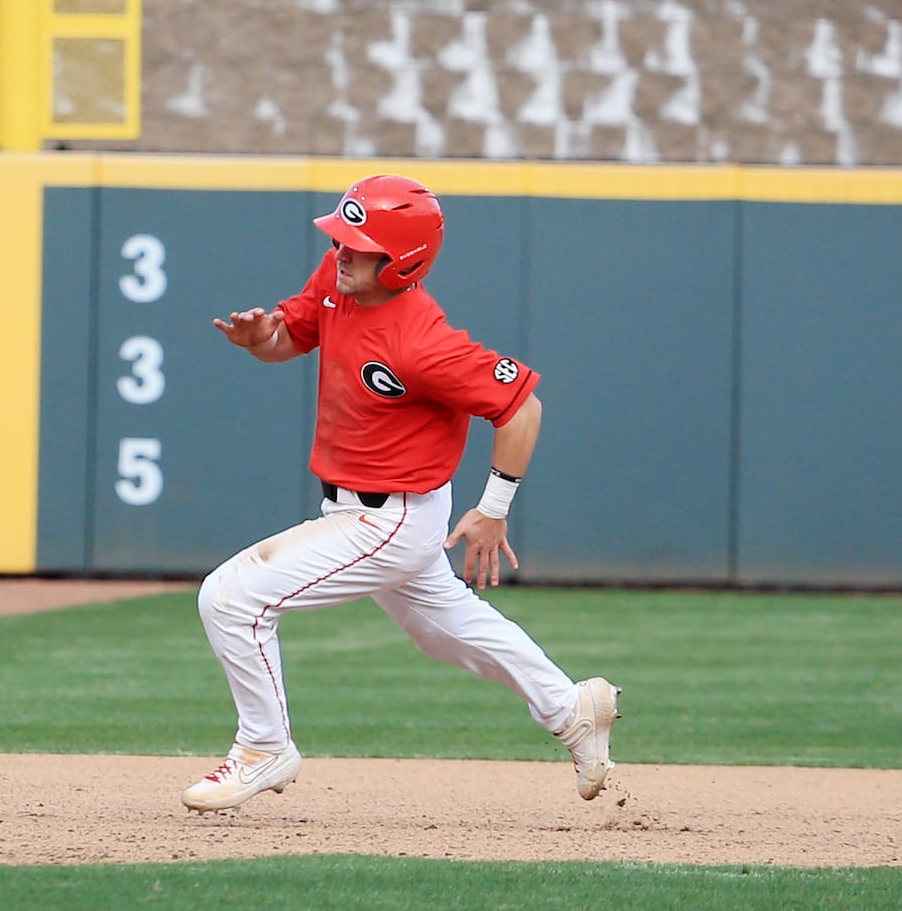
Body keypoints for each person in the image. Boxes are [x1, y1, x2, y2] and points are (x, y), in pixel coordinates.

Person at [182, 174, 620, 812]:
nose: (341, 255)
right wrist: (261, 342)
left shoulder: (423, 342)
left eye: (357, 247)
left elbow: (522, 409)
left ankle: (263, 747)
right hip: (363, 507)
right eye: (339, 240)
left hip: (389, 518)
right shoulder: (338, 283)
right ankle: (571, 709)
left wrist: (493, 510)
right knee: (443, 630)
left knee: (231, 597)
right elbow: (290, 338)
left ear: (403, 260)